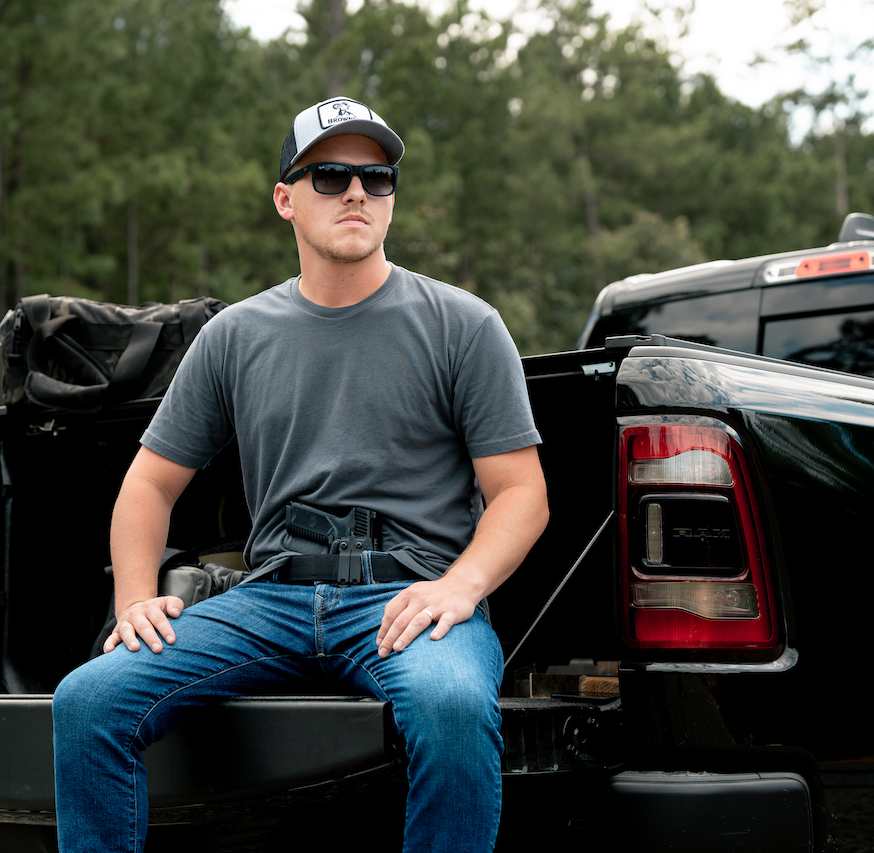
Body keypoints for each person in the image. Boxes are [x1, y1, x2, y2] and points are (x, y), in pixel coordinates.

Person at [52, 96, 549, 853]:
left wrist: (460, 587)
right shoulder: (235, 336)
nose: (357, 192)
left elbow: (522, 494)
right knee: (89, 700)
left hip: (408, 600)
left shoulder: (465, 326)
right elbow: (147, 486)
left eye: (376, 179)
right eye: (330, 174)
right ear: (285, 198)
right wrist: (132, 599)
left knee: (450, 706)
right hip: (271, 600)